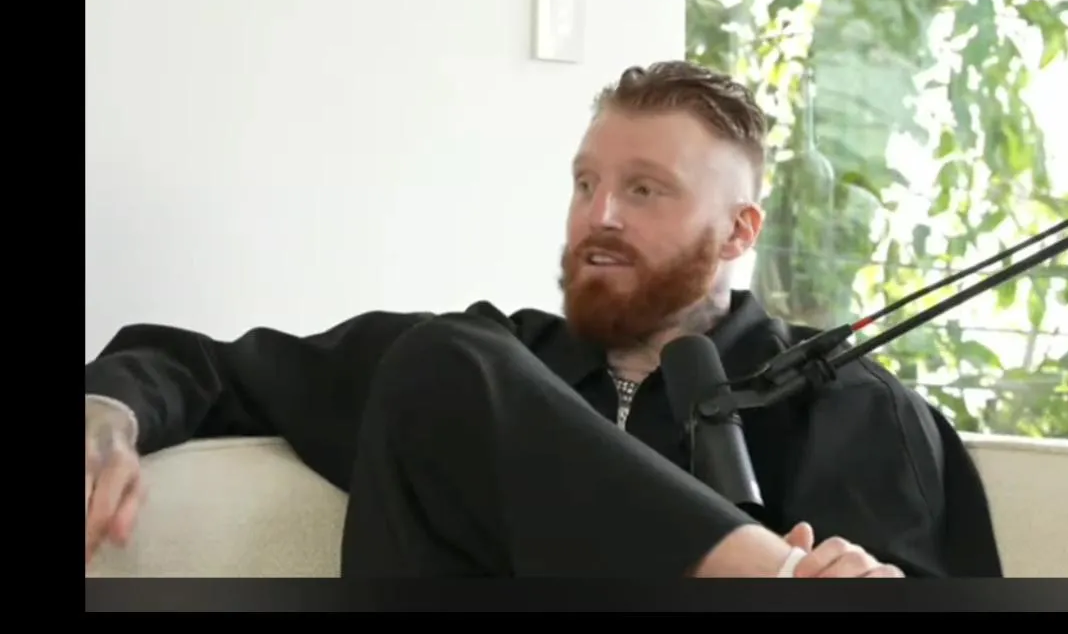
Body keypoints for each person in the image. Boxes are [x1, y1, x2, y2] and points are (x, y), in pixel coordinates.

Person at [84, 61, 1003, 578]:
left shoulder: (850, 406)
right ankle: (761, 571)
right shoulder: (483, 372)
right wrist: (105, 417)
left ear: (738, 231)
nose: (599, 216)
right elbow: (202, 364)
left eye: (644, 190)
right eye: (586, 183)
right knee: (441, 354)